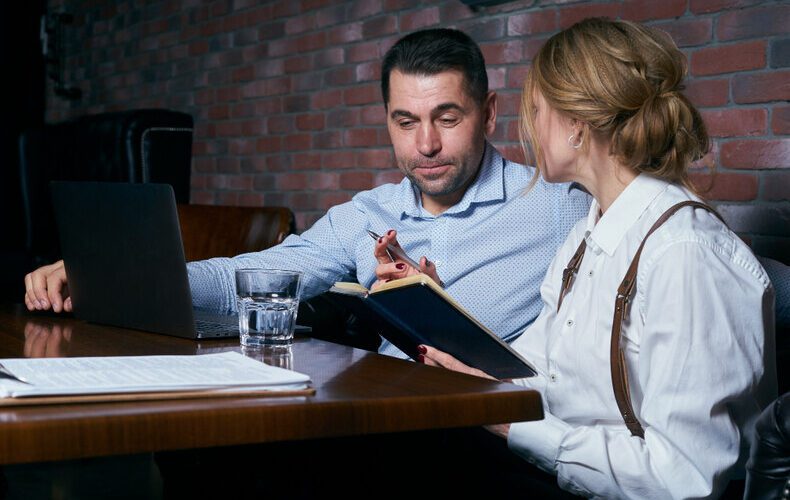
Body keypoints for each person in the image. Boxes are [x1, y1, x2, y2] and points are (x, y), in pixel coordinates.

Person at [23, 28, 590, 359]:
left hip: (490, 438)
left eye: (447, 117)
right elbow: (249, 276)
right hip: (377, 423)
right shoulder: (364, 216)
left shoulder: (561, 204)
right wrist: (107, 273)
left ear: (488, 115)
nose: (427, 144)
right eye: (405, 121)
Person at [406, 18, 777, 499]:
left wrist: (512, 426)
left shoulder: (685, 253)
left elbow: (683, 477)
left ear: (577, 126)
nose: (530, 130)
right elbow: (538, 373)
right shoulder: (589, 234)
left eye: (536, 110)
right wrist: (438, 320)